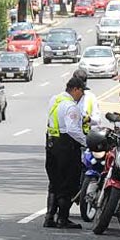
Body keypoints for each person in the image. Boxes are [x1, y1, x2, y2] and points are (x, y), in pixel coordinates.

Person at [44, 77, 89, 229]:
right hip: (66, 146)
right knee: (68, 183)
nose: (81, 96)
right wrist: (86, 141)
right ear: (76, 89)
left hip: (51, 144)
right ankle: (63, 218)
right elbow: (72, 129)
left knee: (54, 182)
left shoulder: (54, 100)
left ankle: (49, 217)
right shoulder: (71, 107)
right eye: (81, 92)